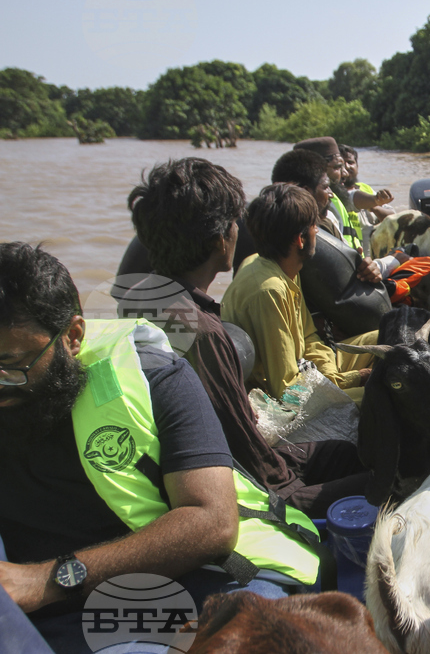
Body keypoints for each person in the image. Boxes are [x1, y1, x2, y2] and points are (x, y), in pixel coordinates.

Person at [0, 243, 320, 653]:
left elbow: (212, 522)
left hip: (179, 581)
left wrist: (50, 579)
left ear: (72, 337)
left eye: (14, 366)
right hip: (43, 606)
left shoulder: (155, 379)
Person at [125, 158, 369, 517]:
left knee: (344, 454)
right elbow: (249, 456)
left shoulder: (140, 296)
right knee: (381, 476)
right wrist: (290, 481)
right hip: (253, 486)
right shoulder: (205, 334)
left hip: (220, 457)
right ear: (221, 239)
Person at [221, 183, 378, 405]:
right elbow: (287, 389)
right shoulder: (269, 291)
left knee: (386, 338)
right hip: (281, 401)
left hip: (307, 370)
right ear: (300, 239)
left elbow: (308, 338)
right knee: (384, 398)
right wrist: (356, 378)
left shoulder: (283, 266)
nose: (317, 232)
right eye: (315, 227)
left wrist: (336, 379)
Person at [292, 137, 393, 257]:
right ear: (316, 170)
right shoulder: (308, 211)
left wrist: (375, 201)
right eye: (337, 167)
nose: (344, 173)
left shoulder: (334, 197)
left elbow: (353, 198)